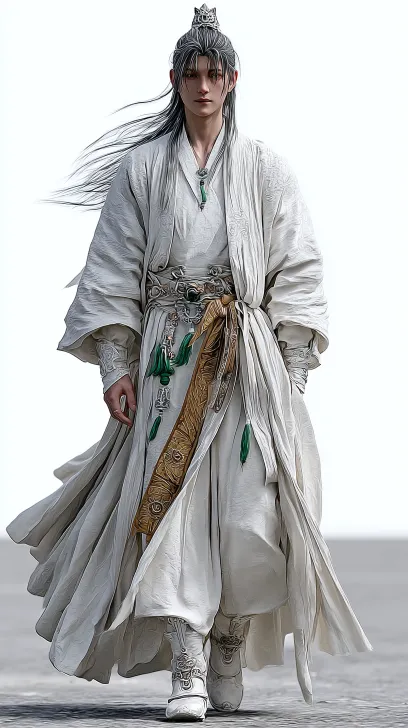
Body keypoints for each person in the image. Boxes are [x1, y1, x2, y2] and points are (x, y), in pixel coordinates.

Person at [6, 4, 372, 722]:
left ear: (233, 80)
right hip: (169, 361)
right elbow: (113, 267)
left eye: (214, 73)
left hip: (248, 360)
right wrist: (115, 364)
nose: (203, 86)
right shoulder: (143, 170)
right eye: (191, 74)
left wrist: (291, 371)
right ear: (175, 80)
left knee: (250, 513)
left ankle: (229, 640)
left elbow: (298, 267)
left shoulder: (265, 168)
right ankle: (188, 665)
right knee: (170, 511)